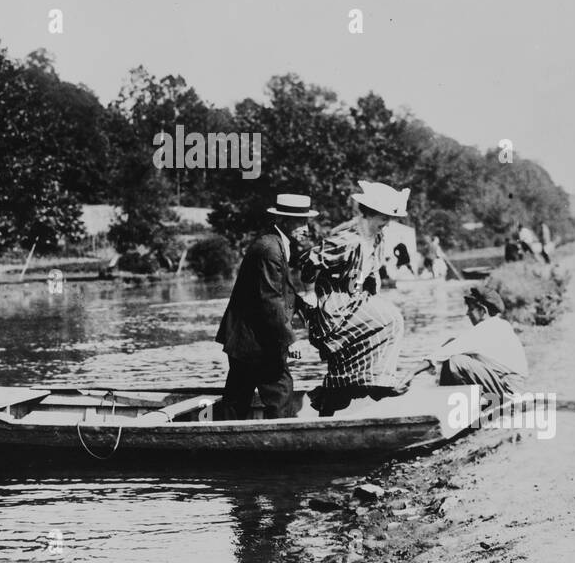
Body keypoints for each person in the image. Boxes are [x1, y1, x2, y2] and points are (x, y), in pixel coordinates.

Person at [295, 180, 408, 416]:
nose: (386, 224)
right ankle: (379, 382)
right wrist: (312, 288)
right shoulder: (348, 239)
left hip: (355, 304)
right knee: (392, 320)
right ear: (370, 214)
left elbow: (372, 272)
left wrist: (371, 287)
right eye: (384, 218)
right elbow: (307, 262)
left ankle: (354, 388)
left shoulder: (376, 239)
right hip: (334, 311)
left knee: (388, 320)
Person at [215, 193, 317, 420]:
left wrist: (306, 310)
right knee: (280, 391)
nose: (305, 228)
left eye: (306, 221)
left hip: (246, 340)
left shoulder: (275, 243)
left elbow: (281, 292)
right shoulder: (270, 249)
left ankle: (224, 443)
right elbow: (270, 299)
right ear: (284, 221)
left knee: (237, 398)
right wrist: (289, 339)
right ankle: (283, 446)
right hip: (257, 342)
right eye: (300, 222)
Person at [421, 286, 528, 405]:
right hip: (509, 387)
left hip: (511, 391)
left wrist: (410, 373)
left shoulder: (487, 328)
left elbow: (442, 354)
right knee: (455, 351)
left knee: (456, 361)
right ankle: (445, 400)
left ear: (483, 310)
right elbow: (454, 345)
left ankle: (443, 404)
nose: (467, 313)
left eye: (470, 309)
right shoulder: (500, 325)